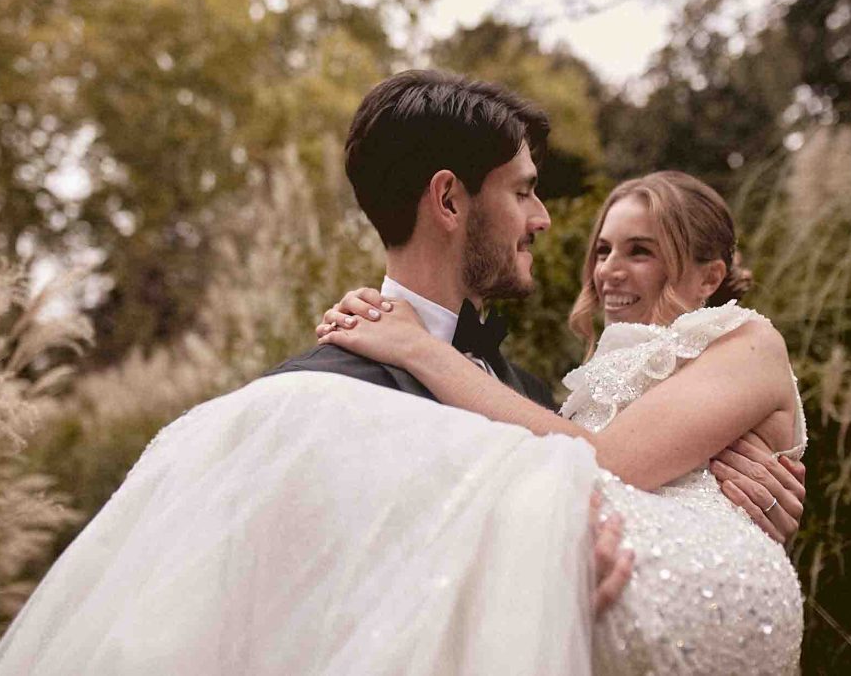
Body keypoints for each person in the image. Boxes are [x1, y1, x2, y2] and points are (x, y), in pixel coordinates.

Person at [0, 72, 803, 675]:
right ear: (448, 201)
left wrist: (702, 513)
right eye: (522, 192)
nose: (544, 220)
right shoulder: (316, 405)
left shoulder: (526, 397)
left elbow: (610, 481)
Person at [318, 169, 807, 673]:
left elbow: (608, 463)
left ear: (709, 277)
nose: (609, 271)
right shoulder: (581, 388)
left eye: (640, 252)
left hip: (701, 614)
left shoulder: (747, 340)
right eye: (603, 251)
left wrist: (418, 347)